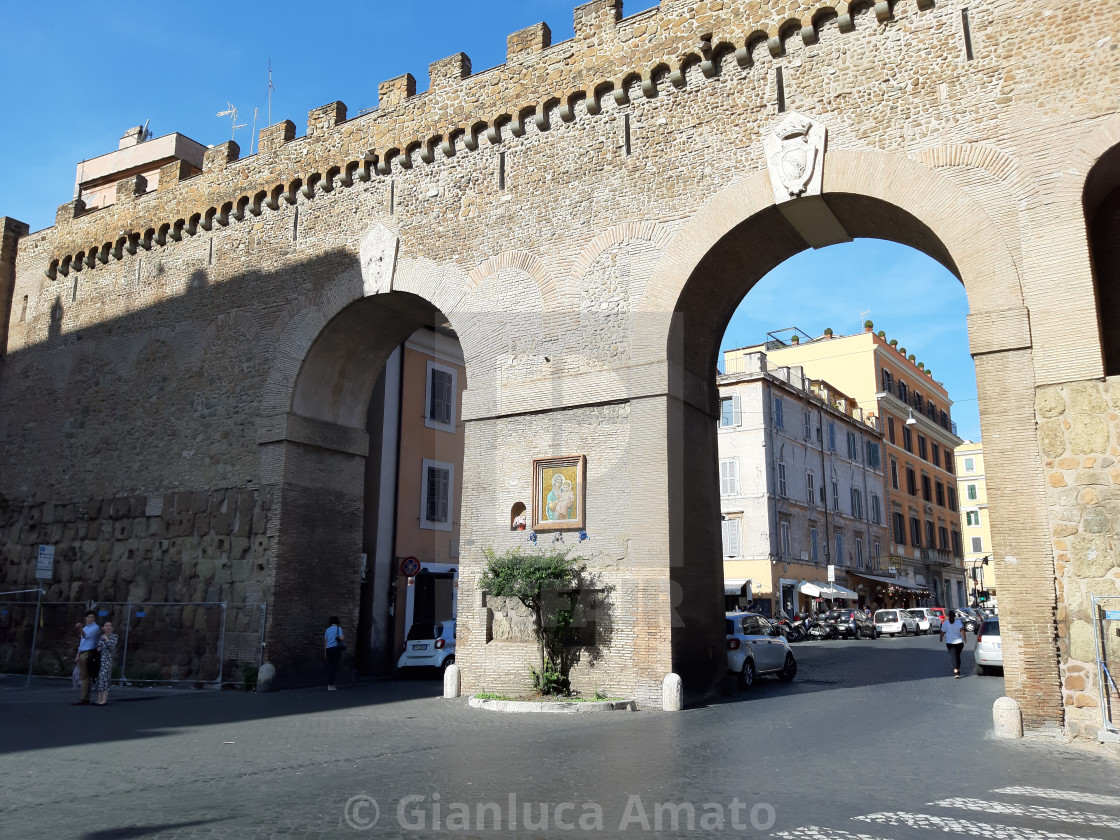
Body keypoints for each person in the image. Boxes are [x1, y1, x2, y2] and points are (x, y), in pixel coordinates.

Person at [73, 610, 100, 705]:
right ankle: (85, 697)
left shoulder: (95, 627)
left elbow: (86, 636)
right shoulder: (86, 627)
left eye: (92, 617)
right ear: (86, 618)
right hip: (83, 652)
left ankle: (84, 698)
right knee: (84, 676)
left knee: (85, 676)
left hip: (88, 653)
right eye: (89, 617)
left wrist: (79, 629)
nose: (91, 619)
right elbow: (82, 642)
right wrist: (78, 654)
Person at [93, 621, 119, 705]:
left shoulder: (114, 636)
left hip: (107, 661)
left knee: (105, 678)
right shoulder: (101, 637)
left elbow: (111, 647)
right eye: (106, 625)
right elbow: (98, 647)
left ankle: (104, 699)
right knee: (99, 679)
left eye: (110, 625)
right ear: (103, 628)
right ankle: (99, 699)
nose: (108, 627)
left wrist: (107, 639)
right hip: (99, 660)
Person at [939, 608, 967, 678]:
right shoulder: (958, 622)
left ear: (948, 616)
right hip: (959, 642)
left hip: (949, 642)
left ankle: (956, 671)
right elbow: (962, 630)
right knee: (957, 656)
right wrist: (965, 638)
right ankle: (958, 668)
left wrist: (941, 638)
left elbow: (942, 632)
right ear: (955, 616)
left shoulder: (945, 623)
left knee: (953, 656)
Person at [324, 617, 345, 691]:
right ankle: (330, 685)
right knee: (334, 667)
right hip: (335, 649)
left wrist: (325, 652)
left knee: (330, 666)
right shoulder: (338, 629)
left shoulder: (327, 630)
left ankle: (330, 683)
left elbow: (326, 642)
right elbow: (342, 638)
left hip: (328, 649)